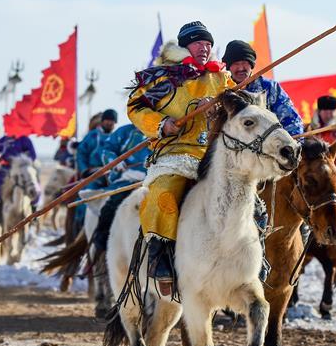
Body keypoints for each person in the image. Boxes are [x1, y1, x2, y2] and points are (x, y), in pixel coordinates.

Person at [127, 21, 233, 295]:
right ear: (186, 45)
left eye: (209, 43)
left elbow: (240, 102)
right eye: (199, 42)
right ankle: (161, 257)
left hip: (214, 154)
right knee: (164, 192)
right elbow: (135, 106)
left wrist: (220, 106)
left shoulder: (221, 77)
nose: (206, 47)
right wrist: (163, 124)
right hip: (175, 153)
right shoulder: (164, 77)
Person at [222, 40, 304, 137]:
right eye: (236, 63)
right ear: (229, 67)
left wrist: (293, 144)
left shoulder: (269, 88)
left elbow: (291, 120)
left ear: (251, 64)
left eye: (244, 62)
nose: (240, 68)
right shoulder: (221, 89)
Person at [0, 133, 38, 224]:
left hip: (20, 170)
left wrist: (20, 160)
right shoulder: (3, 140)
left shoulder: (24, 140)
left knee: (33, 185)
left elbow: (32, 155)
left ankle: (34, 211)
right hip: (5, 169)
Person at [306, 95, 336, 167]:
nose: (328, 114)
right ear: (319, 112)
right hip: (314, 168)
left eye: (331, 111)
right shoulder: (309, 129)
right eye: (325, 111)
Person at [76, 109, 118, 176]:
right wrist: (84, 170)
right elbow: (81, 153)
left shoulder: (116, 137)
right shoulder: (92, 136)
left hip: (111, 173)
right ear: (103, 121)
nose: (109, 123)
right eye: (107, 120)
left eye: (112, 121)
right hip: (93, 173)